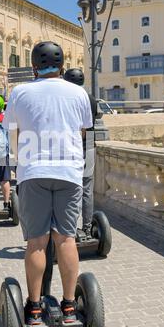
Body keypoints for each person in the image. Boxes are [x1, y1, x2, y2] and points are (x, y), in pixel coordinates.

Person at [3, 41, 92, 326]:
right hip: (68, 172)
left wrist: (22, 165)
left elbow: (13, 135)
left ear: (34, 67)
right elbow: (81, 132)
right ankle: (68, 307)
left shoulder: (20, 92)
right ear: (62, 66)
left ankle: (35, 308)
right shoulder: (78, 93)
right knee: (66, 239)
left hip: (33, 172)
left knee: (36, 242)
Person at [64, 68, 97, 237]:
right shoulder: (91, 99)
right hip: (90, 143)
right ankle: (87, 226)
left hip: (73, 144)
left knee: (69, 187)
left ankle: (69, 226)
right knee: (87, 188)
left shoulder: (66, 98)